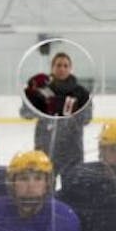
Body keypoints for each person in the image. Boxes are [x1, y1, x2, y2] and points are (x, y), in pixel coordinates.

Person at [21, 52, 93, 180]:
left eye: (66, 65)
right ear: (52, 68)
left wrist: (71, 111)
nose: (62, 69)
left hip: (72, 152)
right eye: (58, 65)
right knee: (45, 193)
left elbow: (87, 118)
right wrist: (31, 97)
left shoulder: (81, 92)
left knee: (72, 192)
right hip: (45, 150)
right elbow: (25, 113)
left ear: (71, 68)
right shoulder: (41, 89)